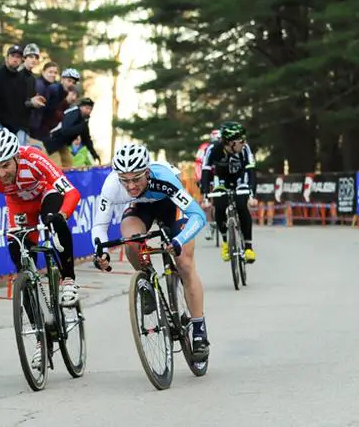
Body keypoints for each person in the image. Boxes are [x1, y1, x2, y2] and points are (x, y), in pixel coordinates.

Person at [93, 143, 210, 361]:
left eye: (136, 178)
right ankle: (147, 283)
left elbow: (198, 216)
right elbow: (99, 226)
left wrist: (179, 240)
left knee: (184, 262)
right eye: (125, 180)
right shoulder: (112, 185)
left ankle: (199, 329)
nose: (131, 186)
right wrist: (100, 251)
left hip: (169, 206)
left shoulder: (164, 178)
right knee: (131, 241)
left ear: (147, 172)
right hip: (141, 209)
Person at [0, 128, 81, 307]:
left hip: (45, 193)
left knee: (55, 221)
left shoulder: (33, 157)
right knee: (22, 265)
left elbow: (72, 193)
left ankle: (68, 280)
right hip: (19, 208)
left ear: (17, 157)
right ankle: (40, 324)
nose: (1, 173)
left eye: (5, 165)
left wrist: (62, 215)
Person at [199, 121, 258, 263]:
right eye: (241, 141)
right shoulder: (213, 149)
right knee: (219, 207)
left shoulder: (245, 149)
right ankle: (226, 241)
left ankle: (248, 247)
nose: (244, 143)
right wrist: (205, 196)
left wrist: (252, 195)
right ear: (231, 142)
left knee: (242, 207)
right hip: (221, 180)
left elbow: (251, 171)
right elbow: (206, 172)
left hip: (240, 179)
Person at [43, 97, 100, 166]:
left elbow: (86, 139)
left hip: (62, 144)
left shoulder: (83, 121)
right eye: (87, 108)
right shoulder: (74, 113)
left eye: (90, 109)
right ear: (81, 107)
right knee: (56, 165)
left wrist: (94, 154)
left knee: (69, 165)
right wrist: (81, 127)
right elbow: (65, 130)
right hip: (52, 143)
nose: (89, 111)